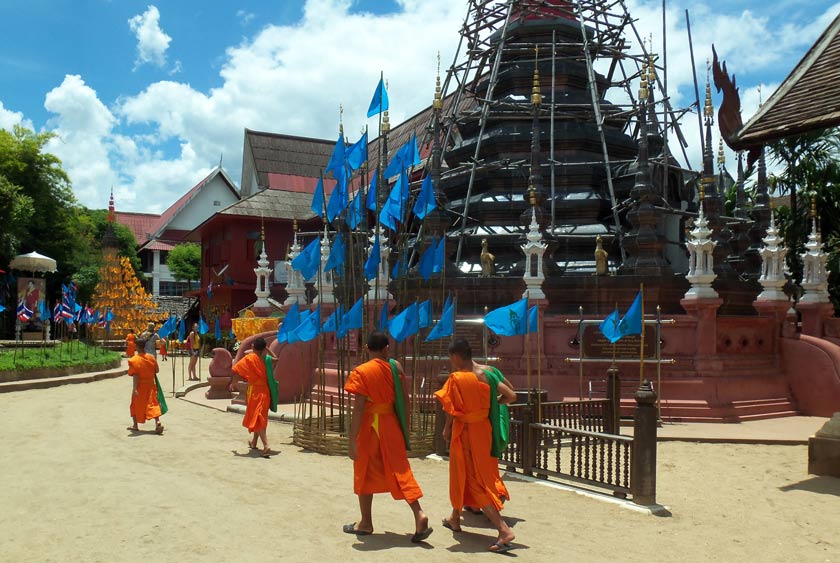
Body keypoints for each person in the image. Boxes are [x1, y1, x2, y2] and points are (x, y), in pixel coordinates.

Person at [343, 331, 432, 543]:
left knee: (363, 470)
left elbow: (358, 409)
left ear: (366, 349)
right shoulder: (396, 367)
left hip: (370, 427)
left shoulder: (361, 371)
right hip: (391, 424)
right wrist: (404, 427)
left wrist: (352, 440)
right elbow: (405, 401)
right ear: (386, 349)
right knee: (400, 469)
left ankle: (366, 523)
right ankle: (419, 514)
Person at [436, 338, 517, 554]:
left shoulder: (456, 378)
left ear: (455, 357)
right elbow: (511, 395)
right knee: (472, 473)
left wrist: (446, 429)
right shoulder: (487, 374)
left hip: (465, 434)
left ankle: (503, 529)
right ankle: (454, 517)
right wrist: (490, 406)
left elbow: (452, 410)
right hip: (484, 431)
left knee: (472, 479)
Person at [229, 337, 277, 458]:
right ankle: (254, 442)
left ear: (253, 347)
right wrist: (267, 349)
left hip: (255, 392)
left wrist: (234, 383)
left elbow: (235, 370)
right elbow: (277, 358)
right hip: (265, 392)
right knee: (259, 417)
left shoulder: (249, 358)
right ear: (263, 348)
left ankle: (266, 445)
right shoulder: (266, 359)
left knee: (257, 417)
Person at [127, 337, 165, 434]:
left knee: (135, 405)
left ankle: (135, 425)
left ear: (136, 347)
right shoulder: (151, 357)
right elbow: (157, 370)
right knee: (153, 404)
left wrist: (135, 388)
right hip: (151, 385)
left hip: (140, 386)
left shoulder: (134, 360)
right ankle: (158, 422)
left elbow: (135, 375)